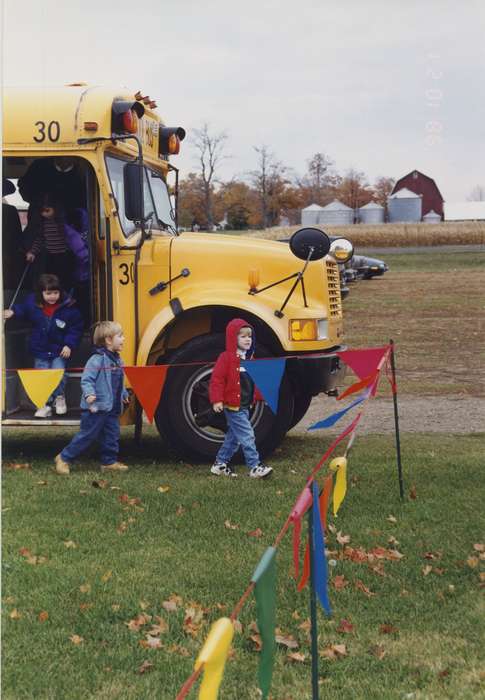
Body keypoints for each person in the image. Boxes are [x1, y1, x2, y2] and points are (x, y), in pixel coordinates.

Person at [54, 321, 130, 475]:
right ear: (108, 340)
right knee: (87, 435)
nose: (124, 339)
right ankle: (63, 457)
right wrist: (89, 394)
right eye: (120, 336)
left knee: (112, 435)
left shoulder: (118, 360)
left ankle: (108, 462)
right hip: (95, 407)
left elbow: (118, 383)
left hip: (111, 407)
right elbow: (87, 379)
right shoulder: (97, 359)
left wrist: (123, 394)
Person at [3, 274, 84, 417]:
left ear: (60, 292)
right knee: (41, 376)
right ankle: (44, 403)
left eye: (55, 293)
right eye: (48, 293)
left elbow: (75, 329)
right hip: (40, 349)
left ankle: (59, 399)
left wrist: (68, 345)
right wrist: (13, 311)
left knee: (58, 373)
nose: (52, 296)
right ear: (41, 293)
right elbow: (23, 309)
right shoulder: (32, 304)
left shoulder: (68, 307)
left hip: (59, 350)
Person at [209, 318, 273, 479]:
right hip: (232, 406)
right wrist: (217, 400)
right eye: (243, 336)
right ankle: (254, 466)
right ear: (233, 338)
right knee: (247, 435)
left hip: (244, 406)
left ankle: (220, 464)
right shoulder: (226, 358)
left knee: (234, 437)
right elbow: (217, 379)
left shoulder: (249, 358)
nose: (247, 339)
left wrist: (259, 397)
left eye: (249, 336)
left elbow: (254, 382)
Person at [25, 192, 88, 294]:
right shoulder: (43, 224)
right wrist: (32, 252)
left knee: (65, 281)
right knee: (51, 281)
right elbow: (40, 240)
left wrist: (81, 253)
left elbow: (73, 240)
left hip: (64, 257)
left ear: (56, 208)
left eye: (47, 210)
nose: (44, 214)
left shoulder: (63, 224)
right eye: (42, 211)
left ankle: (66, 299)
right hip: (51, 257)